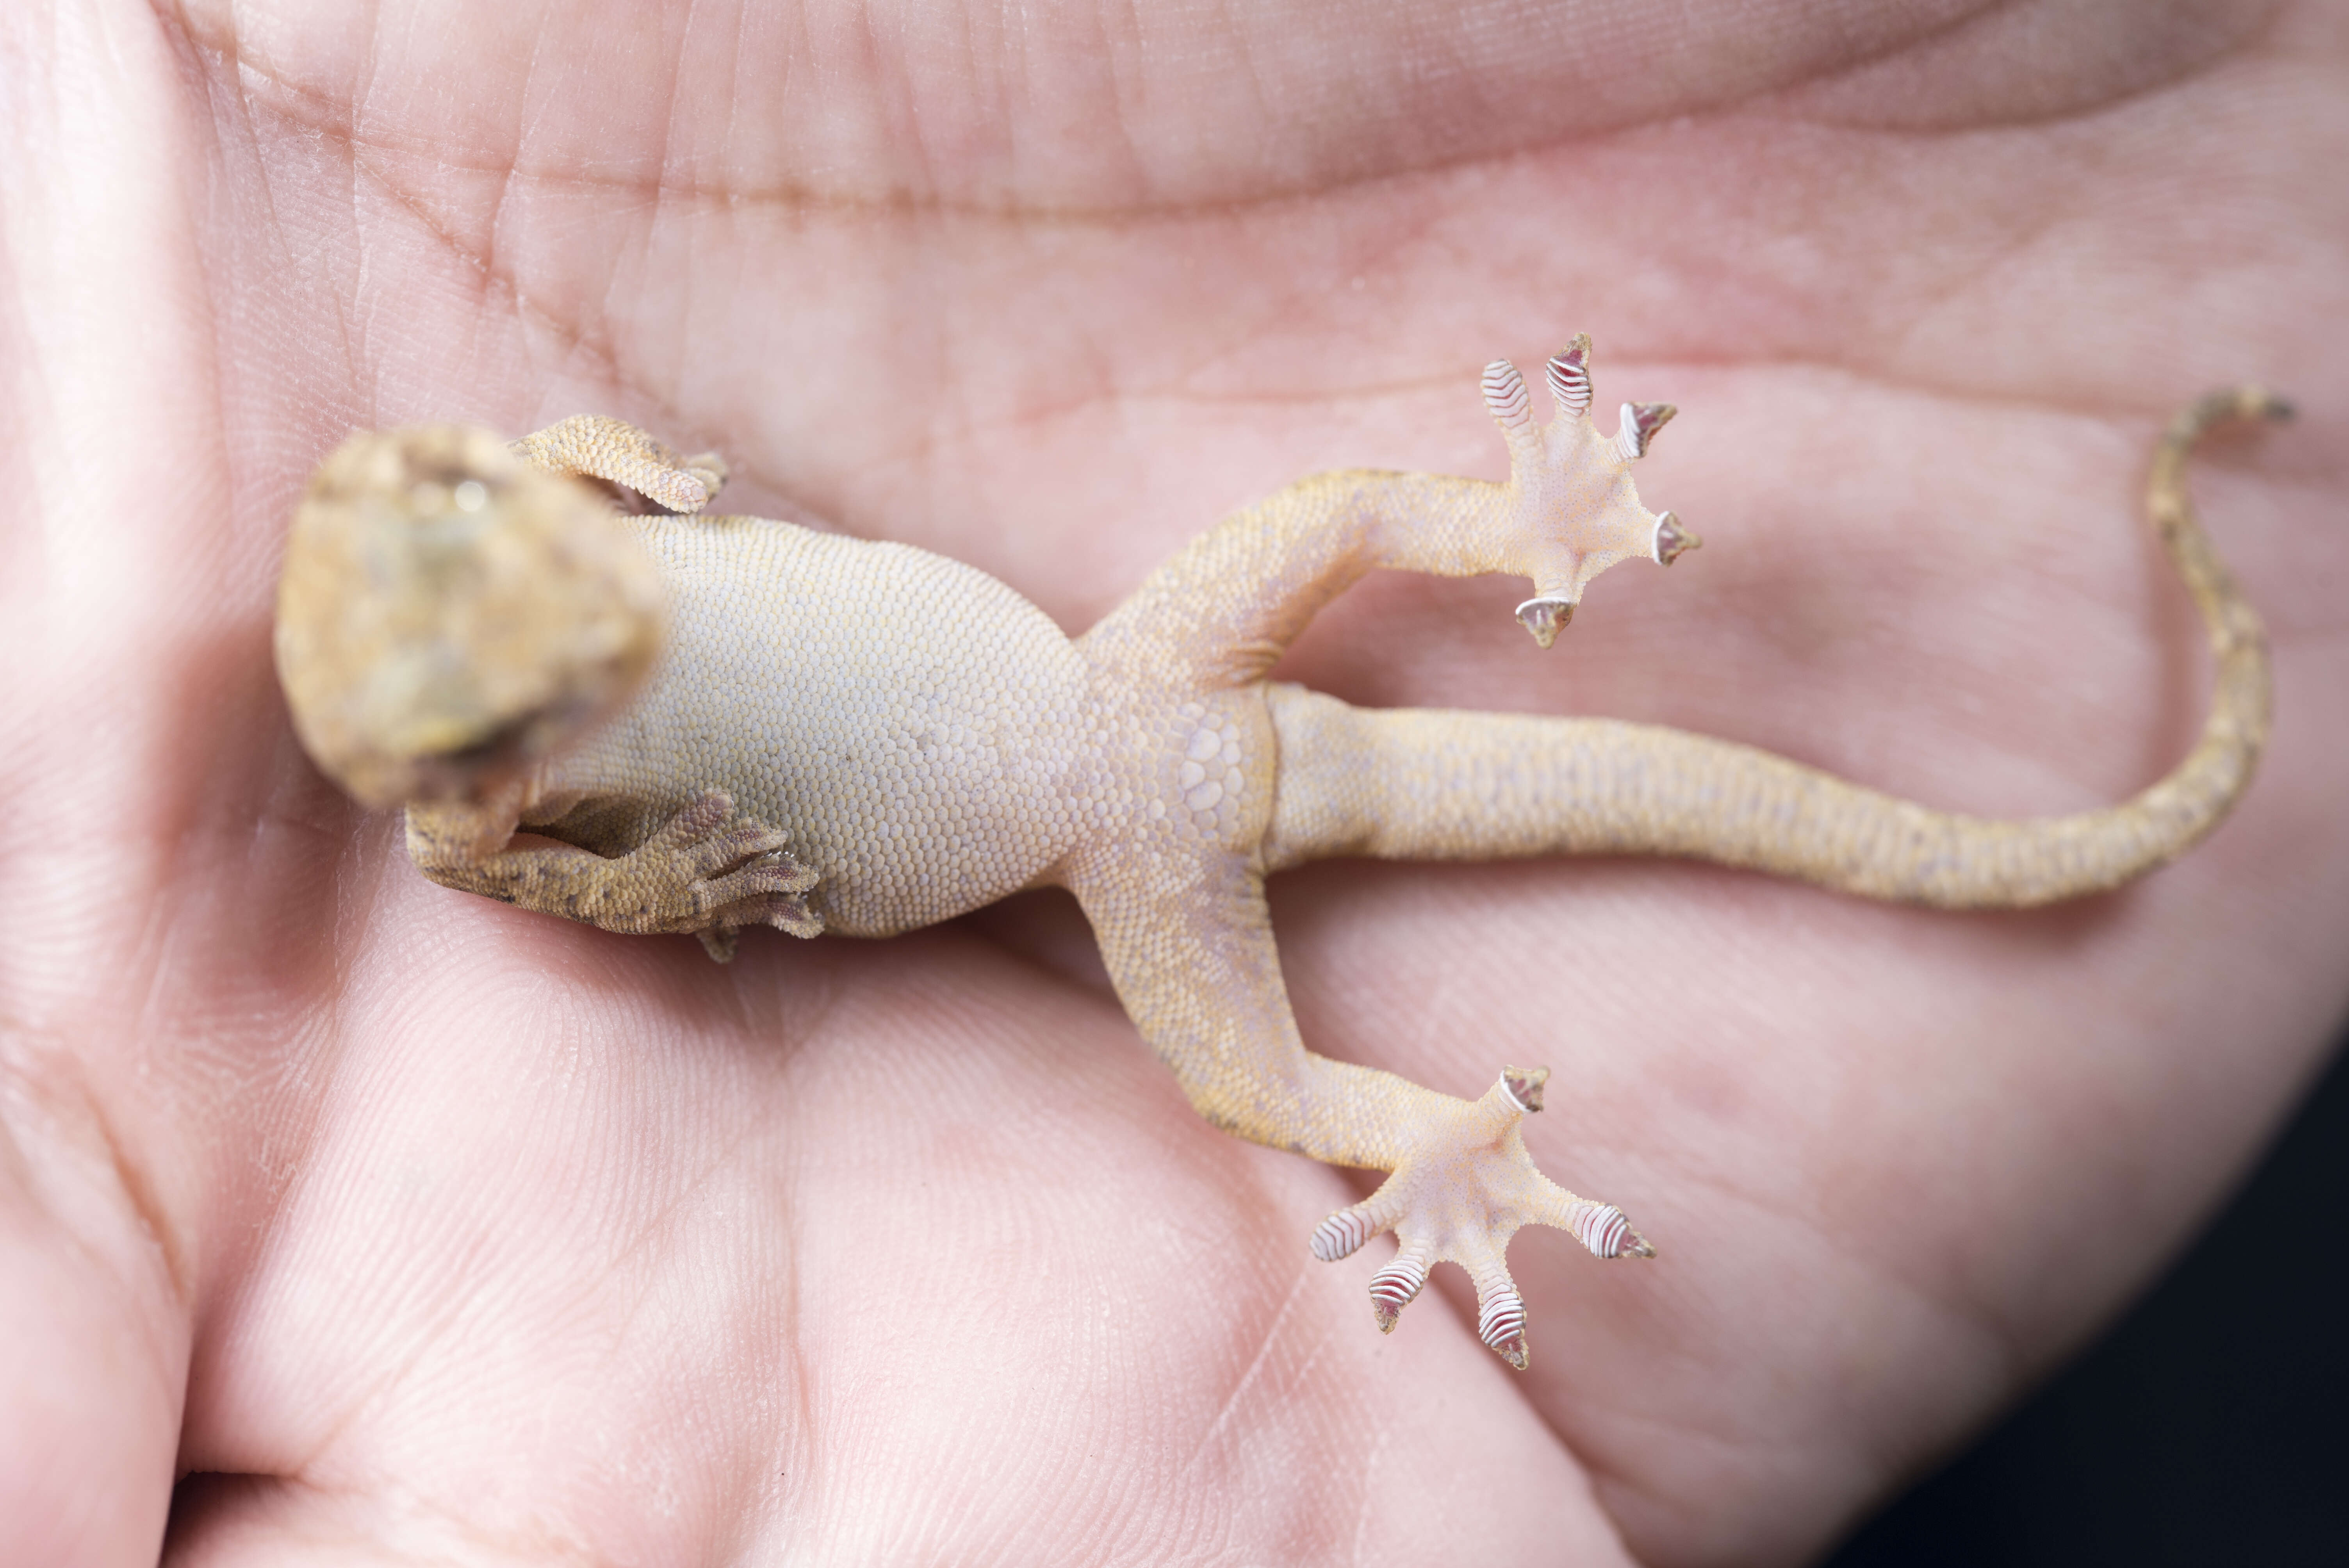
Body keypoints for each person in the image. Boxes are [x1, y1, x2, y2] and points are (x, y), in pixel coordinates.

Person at [3, 1, 2342, 1561]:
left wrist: (630, 575)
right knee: (1255, 1078)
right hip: (1118, 799)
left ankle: (1487, 772)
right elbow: (555, 777)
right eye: (488, 689)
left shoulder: (532, 556)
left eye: (475, 531)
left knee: (1315, 699)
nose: (527, 572)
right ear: (454, 767)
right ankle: (1440, 1105)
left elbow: (575, 490)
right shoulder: (478, 820)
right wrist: (639, 852)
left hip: (1135, 714)